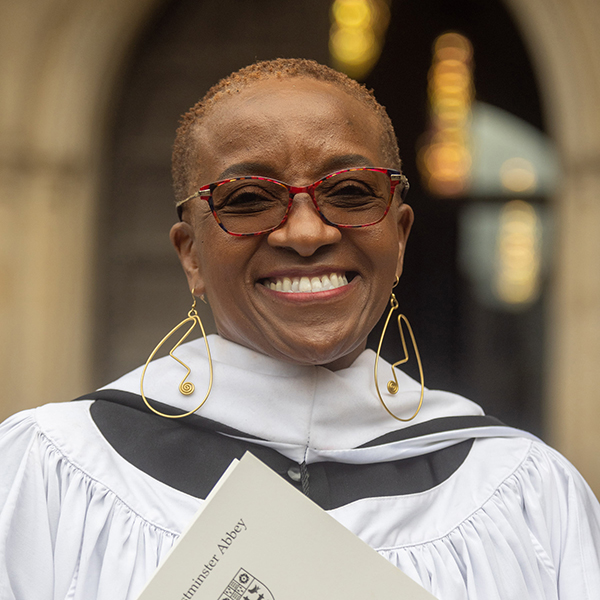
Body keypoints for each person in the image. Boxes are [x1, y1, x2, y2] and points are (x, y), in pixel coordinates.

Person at [0, 58, 598, 600]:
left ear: (401, 237)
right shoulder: (52, 474)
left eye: (350, 192)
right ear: (190, 256)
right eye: (248, 199)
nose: (307, 233)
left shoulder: (524, 495)